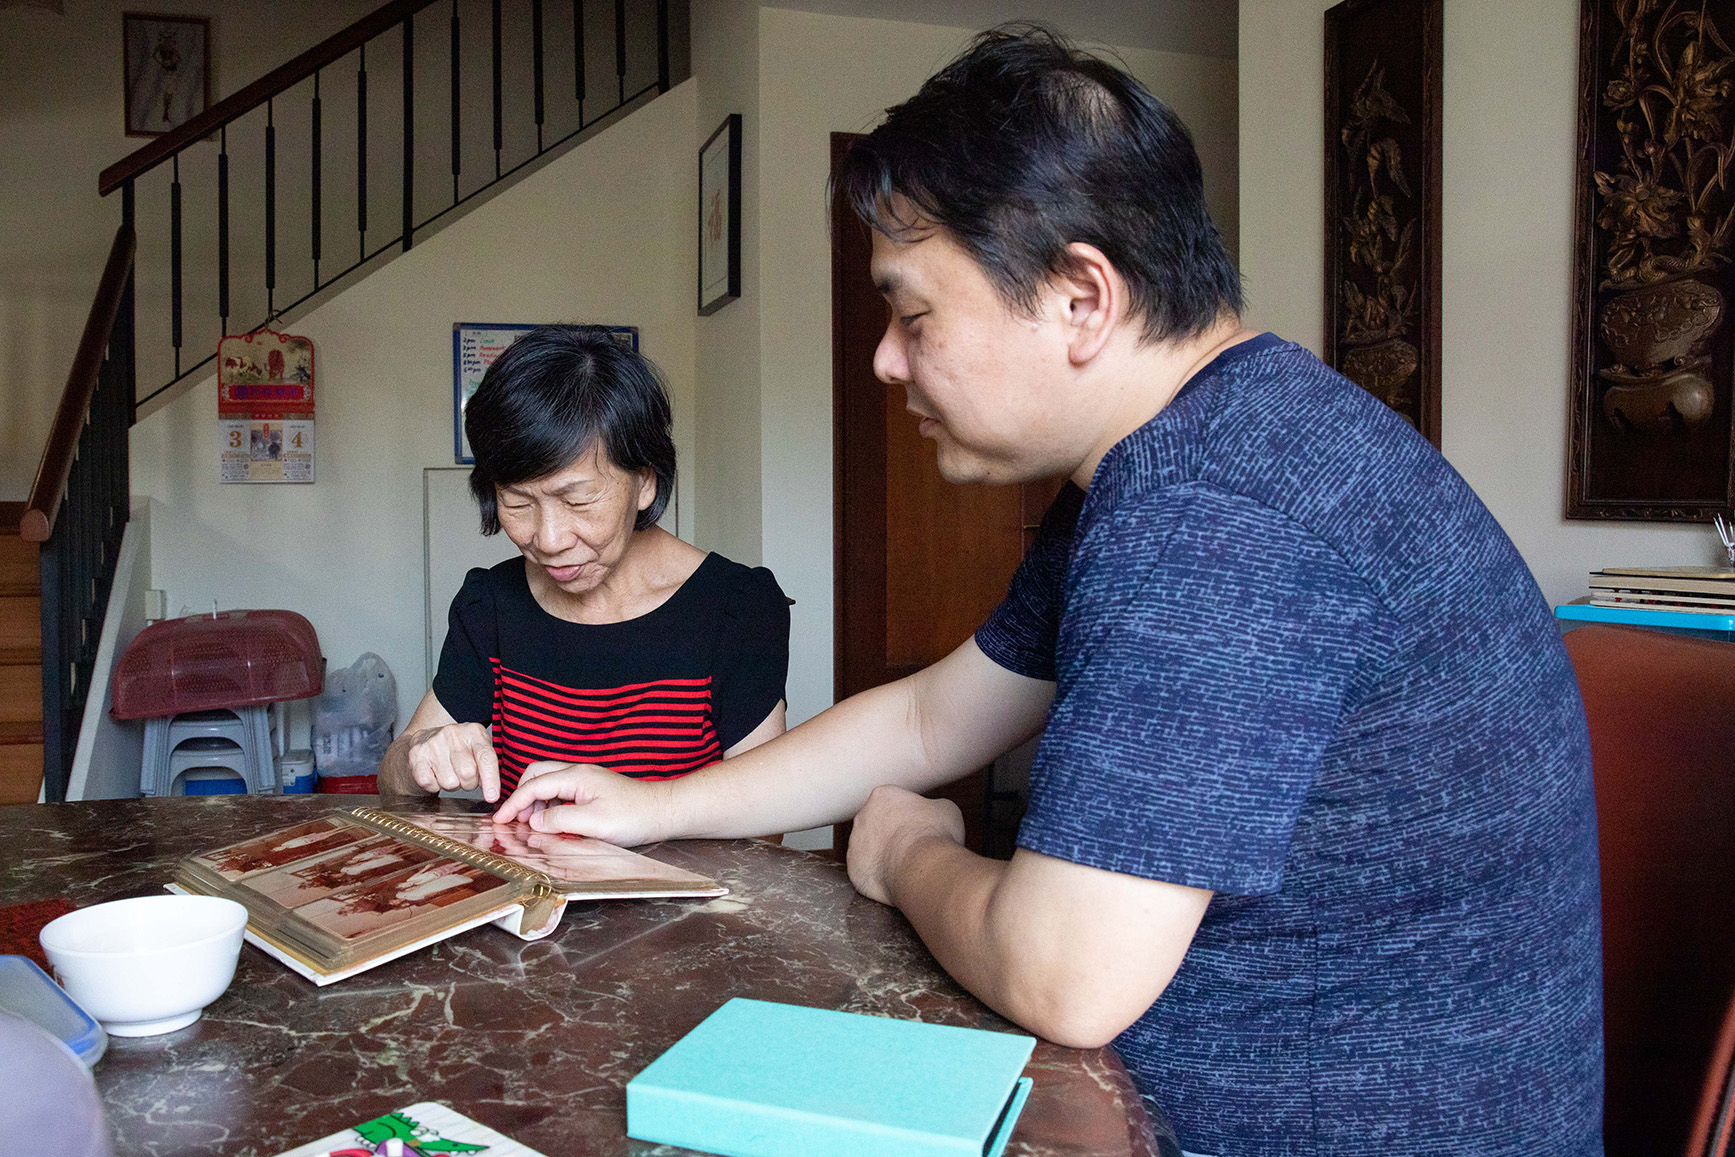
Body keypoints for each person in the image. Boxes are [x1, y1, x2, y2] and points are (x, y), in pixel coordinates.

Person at [492, 28, 1602, 1156]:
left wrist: (903, 856)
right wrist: (656, 801)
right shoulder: (1180, 455)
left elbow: (1068, 974)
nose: (885, 359)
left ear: (1080, 297)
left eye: (912, 315)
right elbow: (938, 712)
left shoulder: (1215, 510)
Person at [379, 326, 790, 802]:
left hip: (677, 879)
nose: (549, 540)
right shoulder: (489, 604)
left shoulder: (735, 609)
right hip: (526, 877)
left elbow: (765, 817)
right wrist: (420, 756)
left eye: (577, 501)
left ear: (645, 482)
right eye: (516, 502)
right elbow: (393, 782)